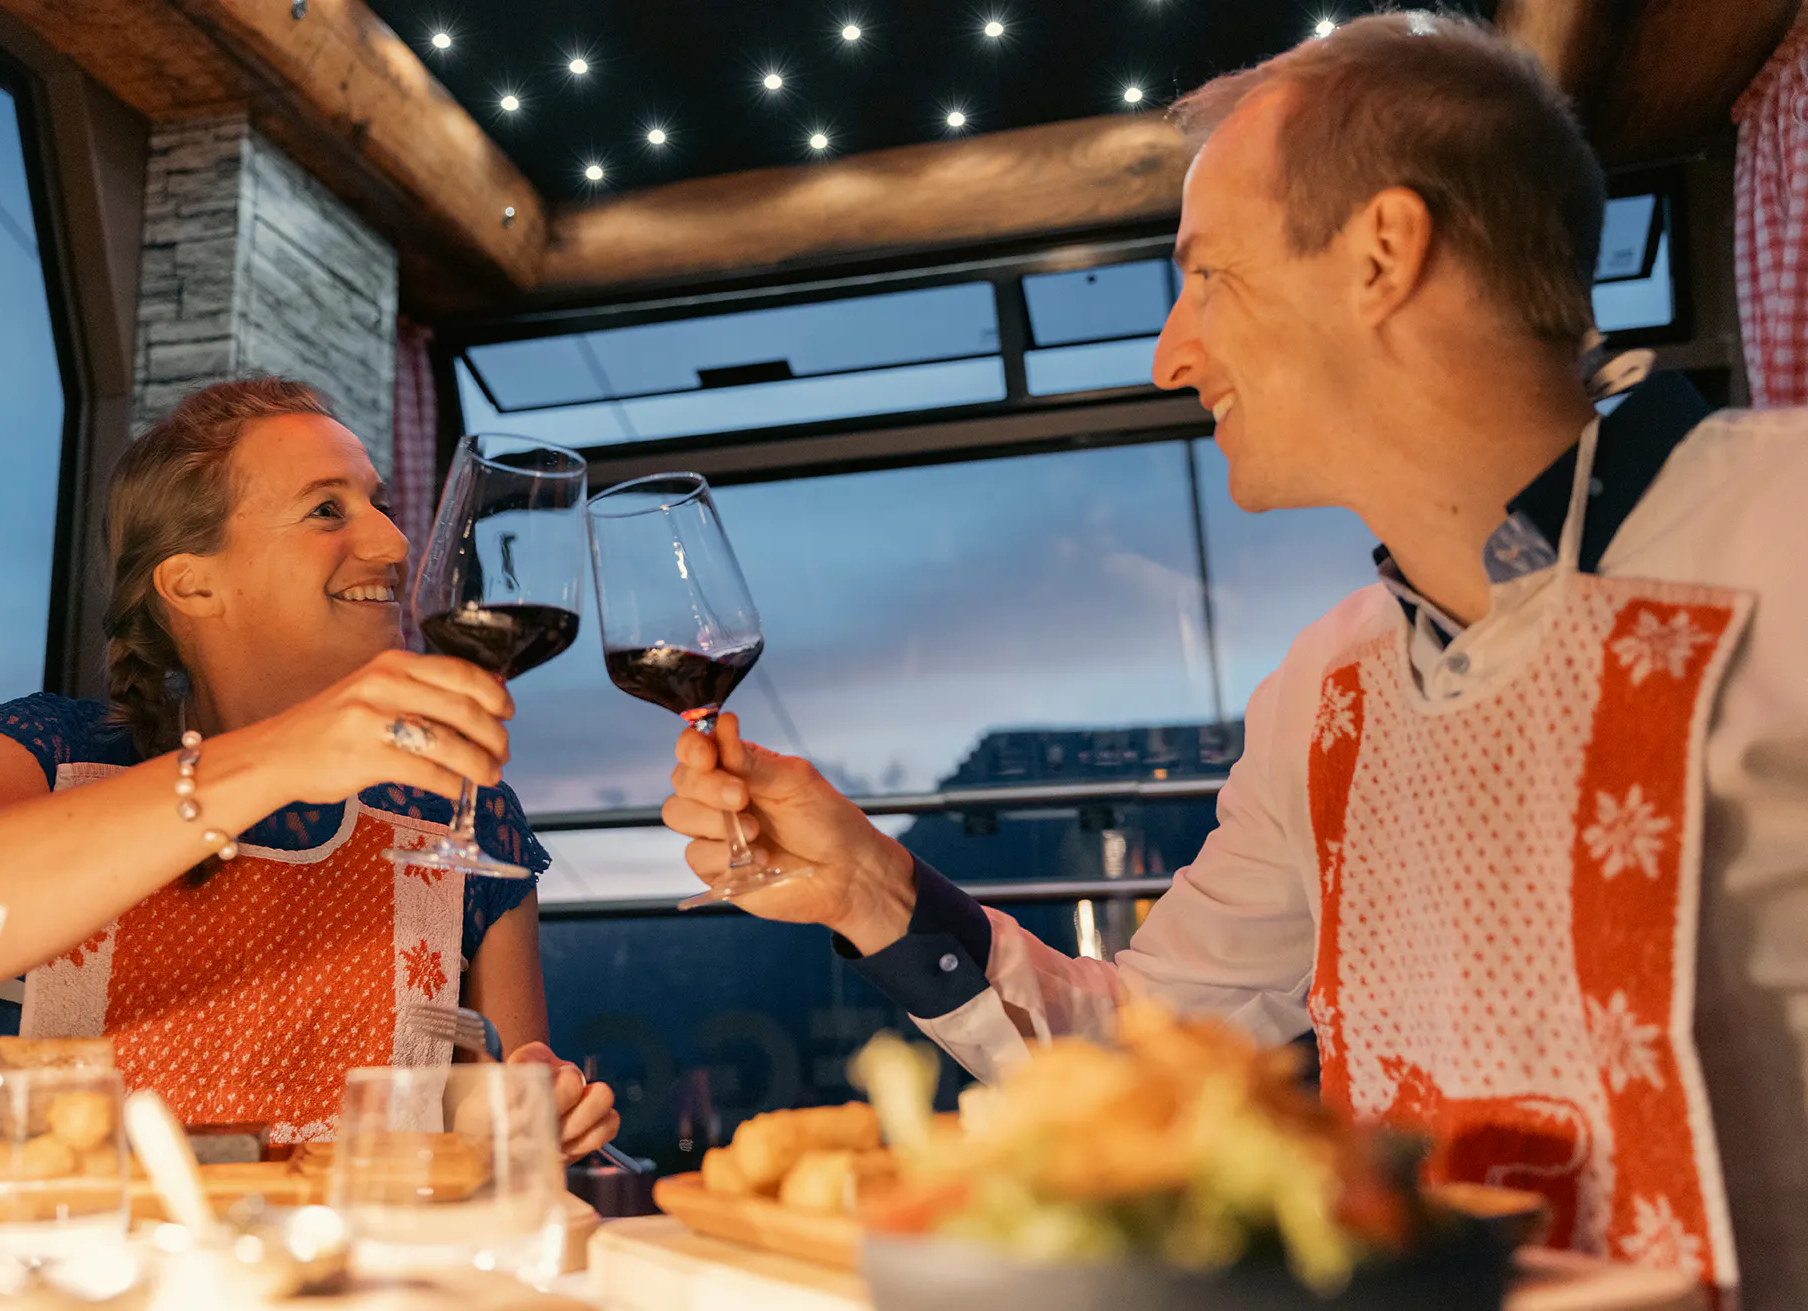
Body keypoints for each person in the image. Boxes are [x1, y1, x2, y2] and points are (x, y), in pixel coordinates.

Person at [662, 14, 1808, 1305]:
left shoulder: (1785, 534)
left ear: (1382, 251)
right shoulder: (1322, 695)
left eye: (1205, 274)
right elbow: (1148, 1056)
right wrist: (869, 884)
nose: (1169, 351)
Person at [0, 378, 618, 1157]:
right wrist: (279, 755)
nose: (392, 541)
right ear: (193, 583)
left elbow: (497, 1114)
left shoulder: (466, 810)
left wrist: (522, 1115)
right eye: (327, 509)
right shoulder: (49, 753)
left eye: (377, 503)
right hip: (77, 1266)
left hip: (361, 1273)